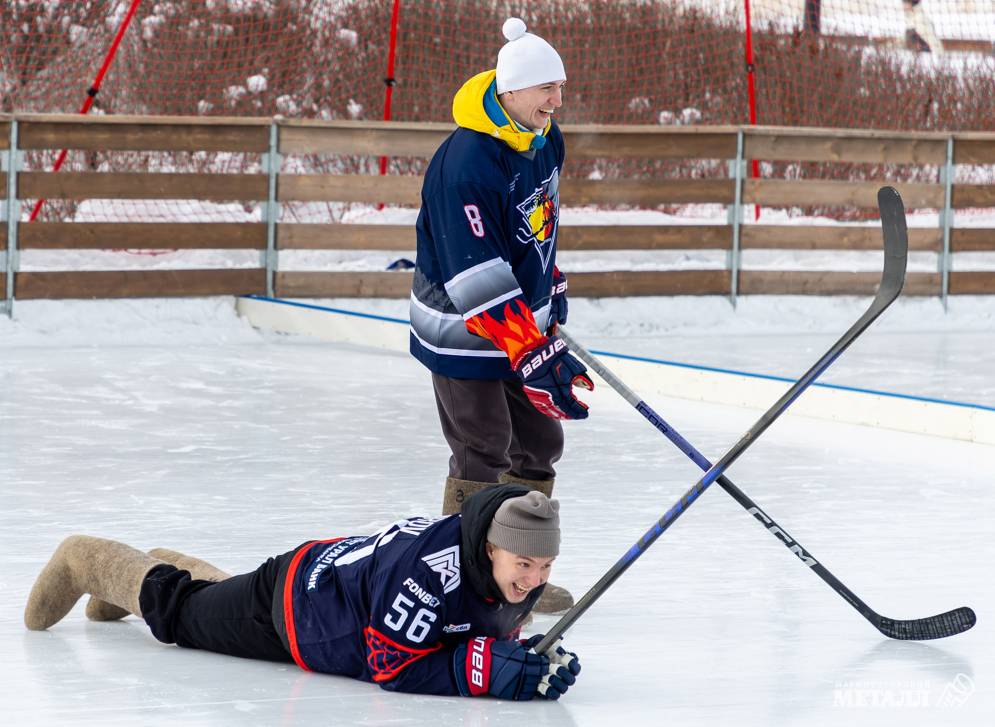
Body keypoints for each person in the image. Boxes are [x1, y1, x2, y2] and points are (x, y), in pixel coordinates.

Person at [24, 485, 582, 701]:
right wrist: (482, 671)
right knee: (182, 615)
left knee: (211, 598)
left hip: (329, 586)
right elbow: (391, 663)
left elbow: (474, 629)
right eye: (525, 565)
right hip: (293, 608)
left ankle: (163, 564)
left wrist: (525, 656)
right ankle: (86, 560)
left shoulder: (500, 562)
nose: (534, 580)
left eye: (545, 566)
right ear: (491, 549)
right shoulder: (428, 576)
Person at [409, 17, 593, 614]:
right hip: (462, 329)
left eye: (559, 88)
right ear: (511, 90)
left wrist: (550, 292)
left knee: (539, 439)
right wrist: (530, 347)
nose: (556, 101)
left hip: (520, 324)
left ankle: (523, 572)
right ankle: (462, 580)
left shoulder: (545, 138)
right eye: (547, 89)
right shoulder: (465, 162)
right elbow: (474, 274)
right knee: (482, 448)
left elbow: (537, 228)